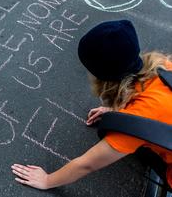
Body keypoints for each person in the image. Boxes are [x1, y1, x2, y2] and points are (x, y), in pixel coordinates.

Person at [11, 20, 172, 190]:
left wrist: (47, 180)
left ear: (103, 77)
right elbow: (157, 106)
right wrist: (119, 113)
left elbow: (87, 165)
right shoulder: (165, 67)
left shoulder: (138, 122)